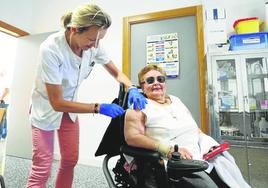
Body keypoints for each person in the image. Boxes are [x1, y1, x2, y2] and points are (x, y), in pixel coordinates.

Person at [26, 3, 147, 188]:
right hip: (46, 108)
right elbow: (57, 103)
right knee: (42, 166)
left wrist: (131, 87)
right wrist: (98, 107)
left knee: (70, 160)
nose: (96, 45)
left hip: (70, 109)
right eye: (91, 39)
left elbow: (116, 73)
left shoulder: (93, 44)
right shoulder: (51, 49)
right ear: (74, 29)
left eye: (99, 40)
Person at [124, 64, 251, 188]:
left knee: (229, 176)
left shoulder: (176, 100)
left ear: (165, 83)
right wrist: (168, 149)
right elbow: (132, 137)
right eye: (150, 80)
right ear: (142, 86)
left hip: (202, 156)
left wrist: (208, 144)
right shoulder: (138, 107)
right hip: (174, 162)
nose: (156, 83)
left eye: (160, 79)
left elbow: (193, 127)